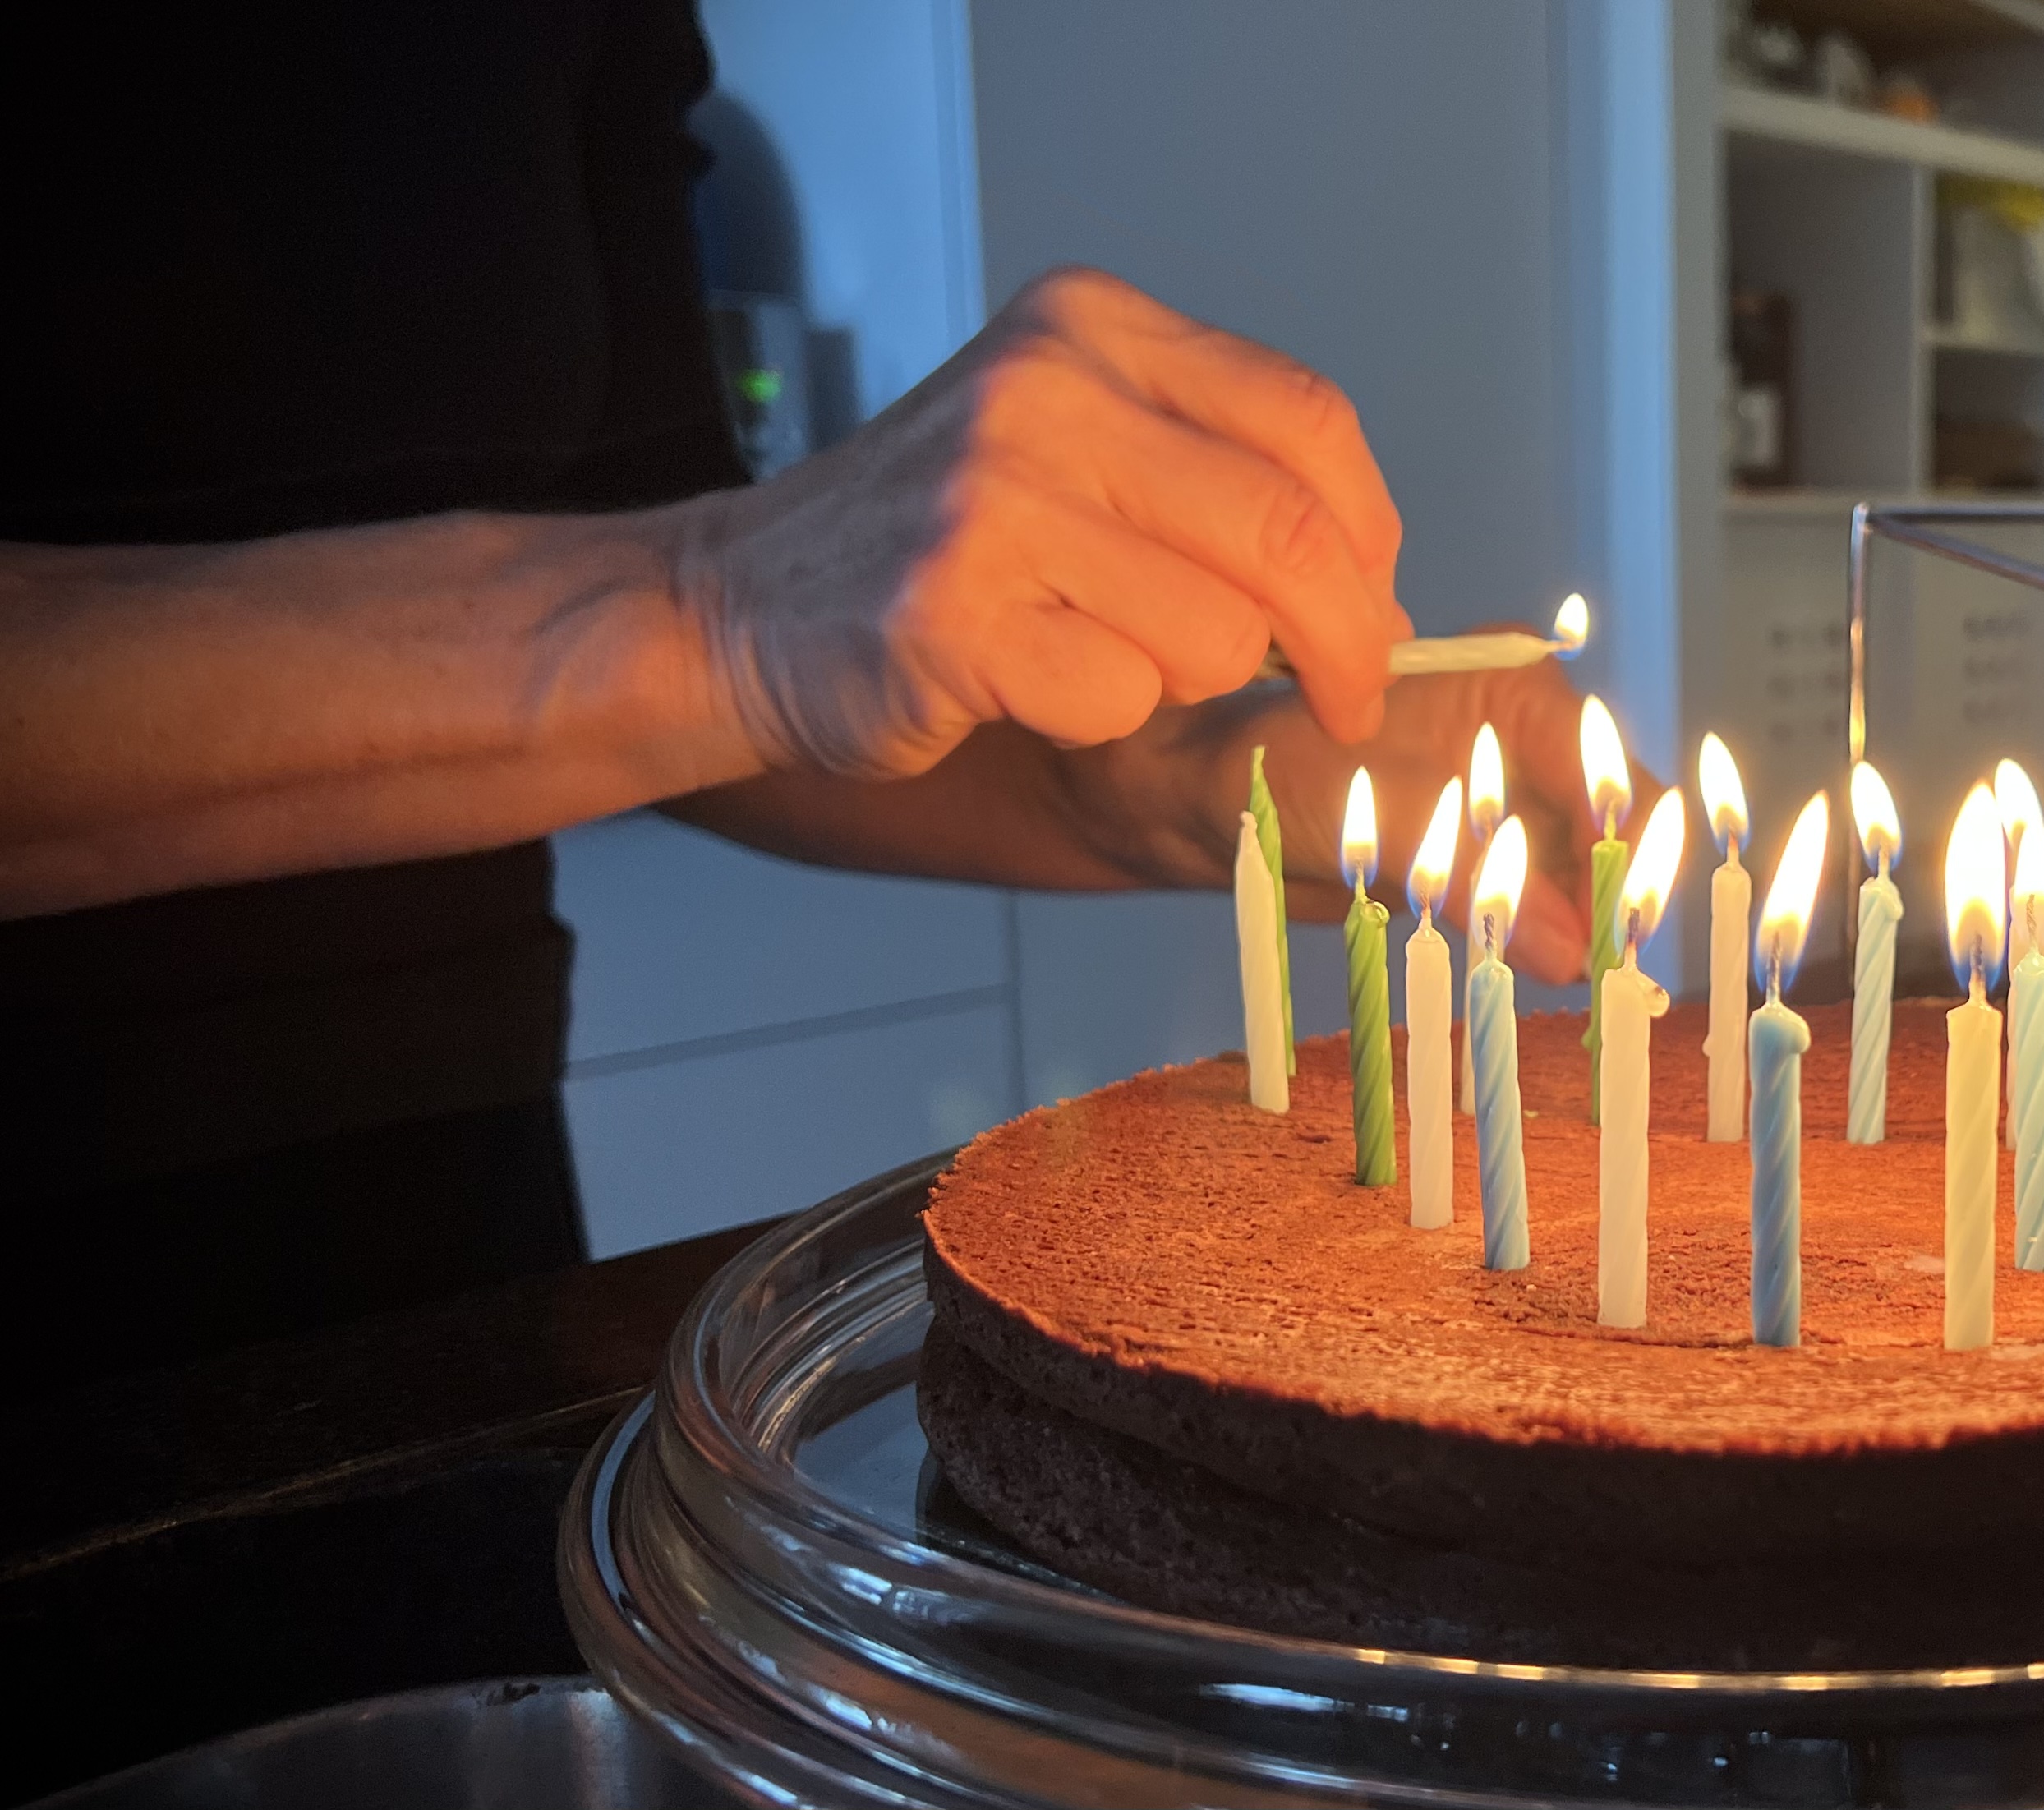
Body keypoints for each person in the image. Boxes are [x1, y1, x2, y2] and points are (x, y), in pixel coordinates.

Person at [0, 0, 1631, 1385]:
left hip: (457, 1237)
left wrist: (1132, 779)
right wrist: (708, 596)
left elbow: (692, 696)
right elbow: (688, 614)